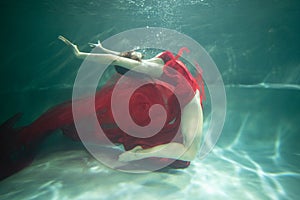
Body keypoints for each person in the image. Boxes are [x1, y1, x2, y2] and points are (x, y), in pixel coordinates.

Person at [0, 35, 204, 180]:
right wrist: (87, 53)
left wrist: (140, 154)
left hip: (180, 108)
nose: (134, 54)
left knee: (183, 152)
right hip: (168, 92)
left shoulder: (184, 97)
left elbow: (190, 153)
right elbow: (119, 59)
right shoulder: (154, 66)